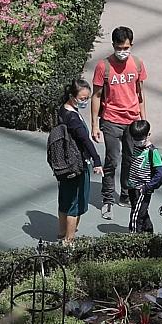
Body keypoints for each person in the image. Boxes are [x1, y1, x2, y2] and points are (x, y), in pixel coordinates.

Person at [91, 27, 147, 220]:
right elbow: (96, 96)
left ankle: (125, 194)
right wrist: (94, 125)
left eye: (127, 47)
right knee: (112, 160)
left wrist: (143, 121)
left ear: (131, 45)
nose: (123, 51)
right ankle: (107, 199)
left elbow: (140, 94)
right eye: (119, 47)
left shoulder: (137, 64)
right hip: (111, 120)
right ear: (113, 45)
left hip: (132, 121)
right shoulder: (103, 66)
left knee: (131, 160)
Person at [53, 79, 104, 242]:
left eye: (87, 98)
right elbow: (85, 141)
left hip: (64, 163)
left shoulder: (63, 110)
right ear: (72, 96)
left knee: (64, 200)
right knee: (76, 204)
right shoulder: (73, 119)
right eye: (82, 98)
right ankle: (70, 239)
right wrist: (97, 161)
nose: (85, 102)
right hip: (77, 165)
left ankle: (61, 233)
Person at [124, 118, 162, 233]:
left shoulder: (153, 152)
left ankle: (134, 236)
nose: (137, 142)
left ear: (148, 135)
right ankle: (148, 230)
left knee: (136, 215)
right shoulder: (136, 147)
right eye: (134, 139)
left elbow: (161, 173)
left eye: (140, 139)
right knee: (141, 210)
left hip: (142, 188)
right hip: (133, 187)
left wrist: (148, 186)